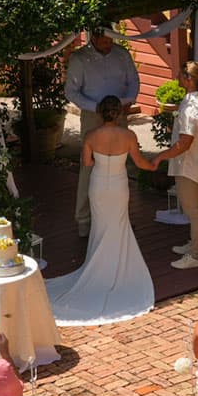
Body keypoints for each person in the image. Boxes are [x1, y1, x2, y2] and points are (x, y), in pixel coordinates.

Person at [46, 94, 159, 326]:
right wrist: (155, 164)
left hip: (98, 185)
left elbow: (87, 163)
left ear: (99, 113)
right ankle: (115, 267)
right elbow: (140, 163)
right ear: (118, 113)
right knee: (118, 224)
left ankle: (98, 267)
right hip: (118, 185)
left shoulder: (90, 135)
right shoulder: (129, 135)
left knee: (100, 226)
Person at [65, 26, 140, 238]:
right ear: (94, 37)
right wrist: (95, 107)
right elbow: (71, 91)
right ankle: (85, 220)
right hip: (93, 115)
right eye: (105, 40)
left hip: (119, 114)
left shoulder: (121, 54)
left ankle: (119, 218)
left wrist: (129, 100)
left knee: (119, 165)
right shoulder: (80, 58)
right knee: (89, 167)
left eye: (111, 39)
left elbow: (133, 80)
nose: (109, 43)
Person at [155, 62, 198, 270]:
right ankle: (194, 245)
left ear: (188, 79)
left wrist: (161, 156)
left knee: (193, 210)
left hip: (188, 165)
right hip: (192, 163)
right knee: (195, 207)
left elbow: (185, 143)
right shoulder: (196, 100)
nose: (177, 76)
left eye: (180, 74)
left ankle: (196, 255)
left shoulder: (190, 107)